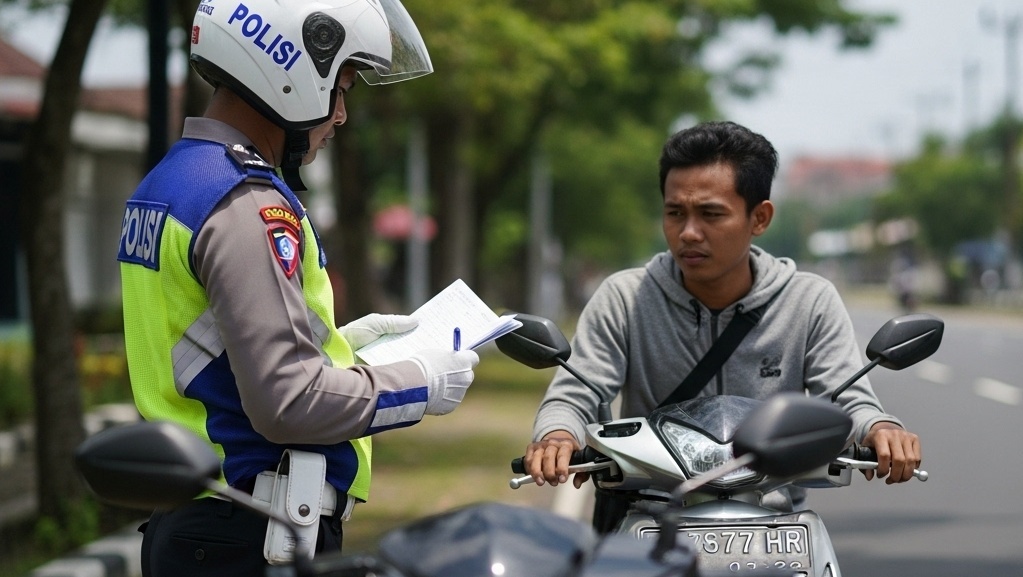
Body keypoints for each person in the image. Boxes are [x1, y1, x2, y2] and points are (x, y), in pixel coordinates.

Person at [116, 1, 479, 575]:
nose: (342, 116)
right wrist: (419, 383)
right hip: (250, 532)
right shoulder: (245, 202)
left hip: (207, 524)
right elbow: (287, 402)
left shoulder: (171, 184)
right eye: (342, 89)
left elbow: (209, 349)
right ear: (291, 71)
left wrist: (339, 348)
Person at [522, 120, 922, 532]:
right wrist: (558, 436)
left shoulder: (809, 300)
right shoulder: (624, 297)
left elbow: (848, 399)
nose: (688, 233)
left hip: (775, 525)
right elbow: (574, 394)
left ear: (759, 218)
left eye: (711, 214)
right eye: (675, 213)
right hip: (650, 521)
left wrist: (880, 428)